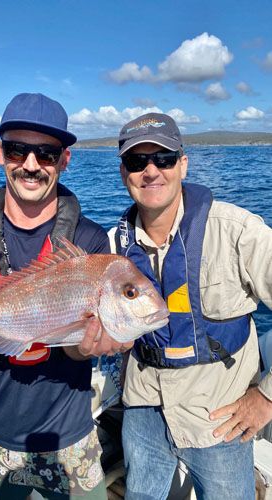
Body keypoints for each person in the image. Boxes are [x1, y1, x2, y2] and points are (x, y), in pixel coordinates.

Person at [0, 92, 132, 500]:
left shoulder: (89, 240)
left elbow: (75, 343)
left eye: (47, 153)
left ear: (65, 159)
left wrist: (92, 345)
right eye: (19, 150)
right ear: (0, 152)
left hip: (69, 436)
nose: (32, 165)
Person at [109, 112, 272, 499]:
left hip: (220, 417)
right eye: (137, 161)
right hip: (143, 409)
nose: (151, 171)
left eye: (163, 158)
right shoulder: (111, 251)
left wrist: (267, 397)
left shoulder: (238, 232)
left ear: (183, 163)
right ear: (123, 173)